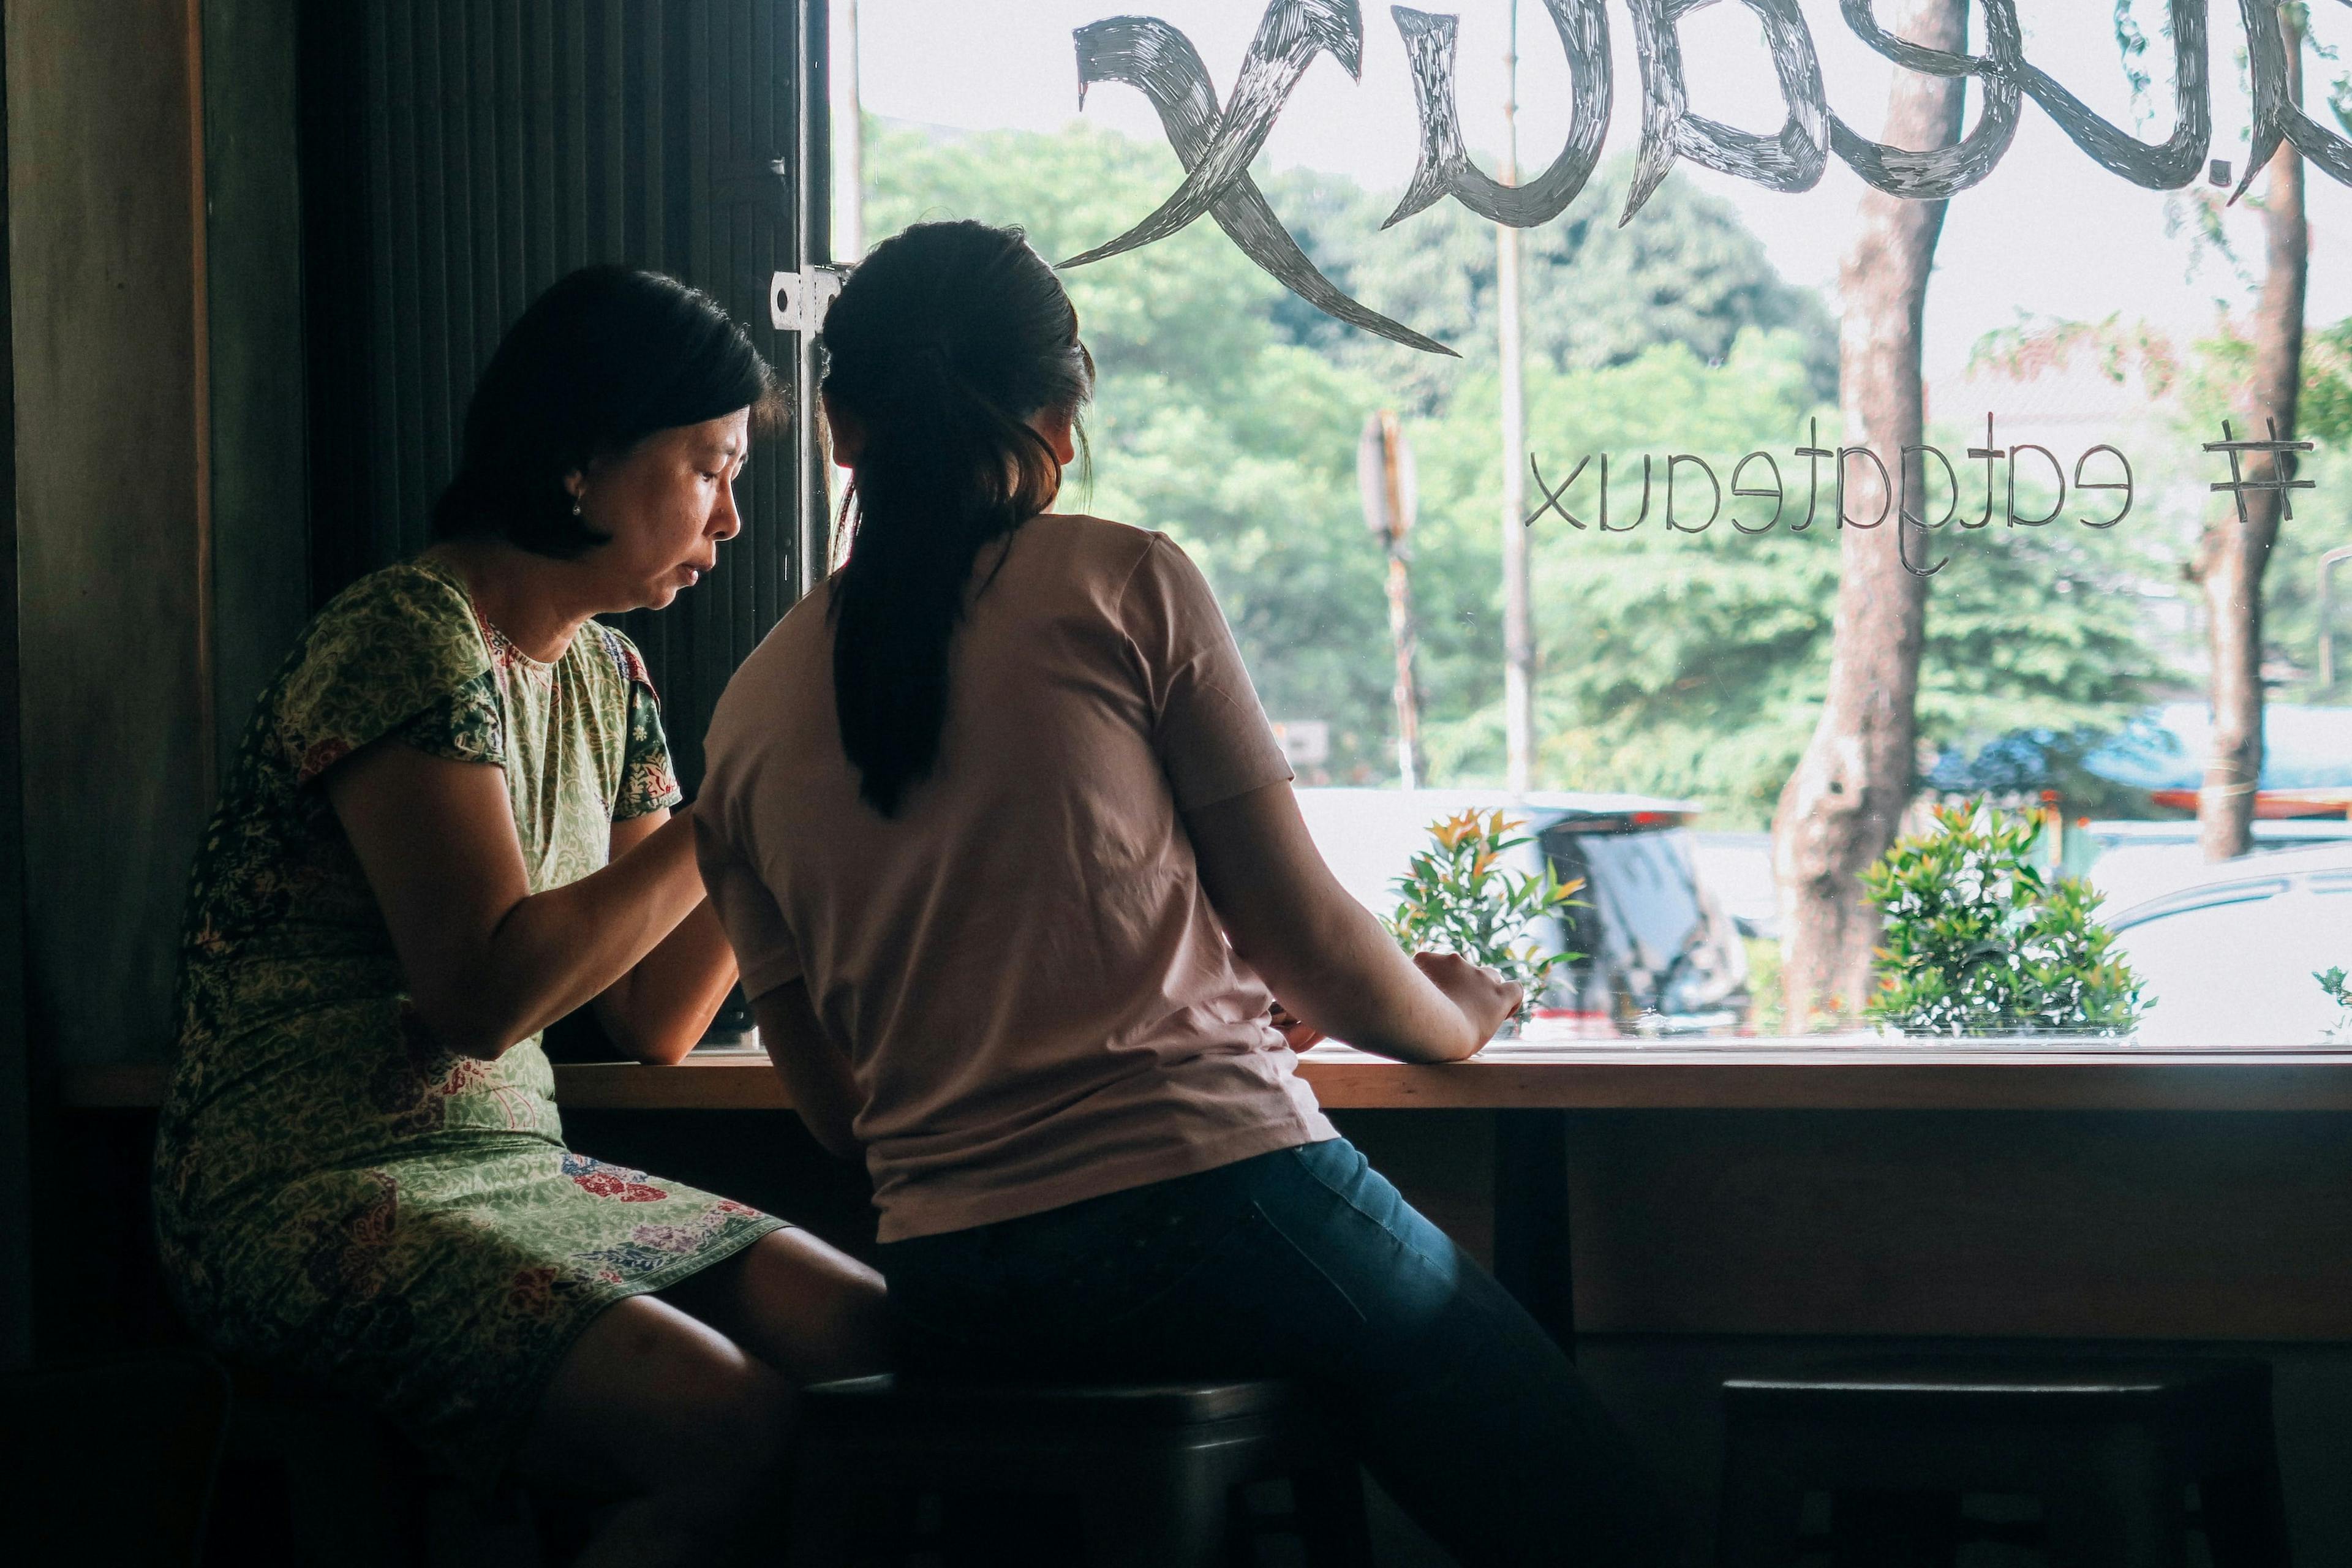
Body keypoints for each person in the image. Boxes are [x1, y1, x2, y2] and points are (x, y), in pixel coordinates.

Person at [694, 219, 1672, 1564]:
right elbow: (1315, 947)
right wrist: (1455, 1009)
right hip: (1209, 1205)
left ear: (839, 426)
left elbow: (837, 1113)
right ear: (1062, 420)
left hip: (953, 1281)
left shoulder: (742, 719)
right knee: (1594, 1513)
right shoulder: (1121, 582)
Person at [153, 266, 888, 1567]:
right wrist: (729, 821)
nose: (730, 515)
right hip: (309, 1182)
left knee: (873, 1337)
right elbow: (482, 997)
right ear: (583, 461)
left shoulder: (610, 671)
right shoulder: (405, 633)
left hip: (512, 1177)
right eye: (710, 467)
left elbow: (656, 1017)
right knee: (725, 1421)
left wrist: (778, 796)